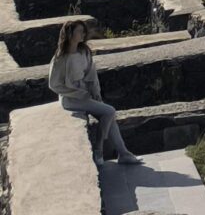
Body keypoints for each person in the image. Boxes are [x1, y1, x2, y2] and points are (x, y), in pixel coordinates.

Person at [48, 21, 143, 167]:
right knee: (110, 111)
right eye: (79, 31)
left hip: (86, 94)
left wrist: (96, 93)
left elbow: (91, 74)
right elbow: (54, 85)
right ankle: (99, 150)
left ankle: (123, 153)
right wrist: (78, 93)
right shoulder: (60, 58)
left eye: (83, 31)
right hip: (71, 98)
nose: (83, 34)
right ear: (70, 33)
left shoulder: (84, 52)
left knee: (109, 118)